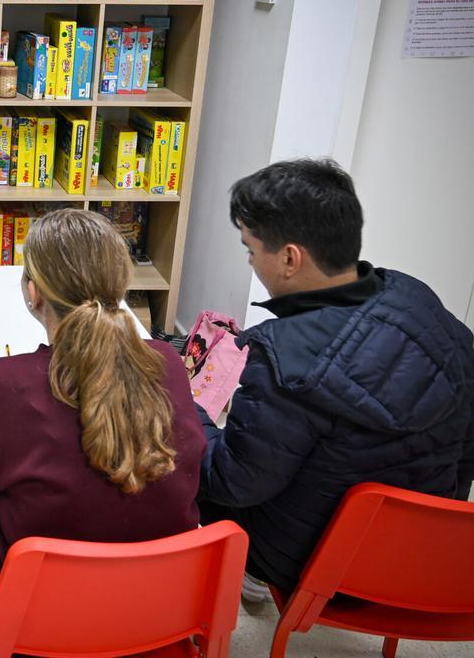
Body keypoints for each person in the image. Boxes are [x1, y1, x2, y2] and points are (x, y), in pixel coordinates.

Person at [0, 208, 206, 636]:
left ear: (33, 291)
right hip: (155, 606)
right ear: (119, 284)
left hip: (25, 616)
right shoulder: (170, 365)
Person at [199, 158, 474, 600]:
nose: (250, 260)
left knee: (182, 463)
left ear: (290, 258)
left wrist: (186, 412)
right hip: (425, 552)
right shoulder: (416, 298)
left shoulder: (284, 361)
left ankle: (212, 589)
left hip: (320, 565)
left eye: (251, 250)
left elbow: (231, 482)